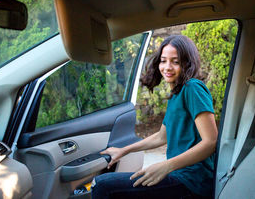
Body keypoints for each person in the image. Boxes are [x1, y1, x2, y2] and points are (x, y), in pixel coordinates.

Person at [91, 35, 218, 199]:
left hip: (192, 181)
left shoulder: (193, 88)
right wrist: (123, 151)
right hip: (178, 175)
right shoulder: (177, 93)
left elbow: (211, 141)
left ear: (188, 63)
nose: (167, 67)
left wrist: (166, 166)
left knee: (102, 185)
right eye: (163, 61)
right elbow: (161, 136)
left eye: (176, 61)